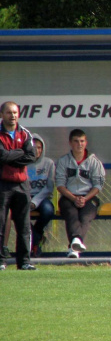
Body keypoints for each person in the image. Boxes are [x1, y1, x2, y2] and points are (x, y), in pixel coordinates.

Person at [55, 129, 105, 258]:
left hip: (89, 197)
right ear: (70, 143)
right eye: (76, 141)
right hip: (68, 197)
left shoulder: (94, 162)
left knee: (85, 217)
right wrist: (73, 198)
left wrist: (84, 198)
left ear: (86, 142)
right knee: (71, 214)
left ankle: (74, 244)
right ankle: (76, 243)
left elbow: (98, 186)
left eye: (82, 141)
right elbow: (60, 185)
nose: (79, 144)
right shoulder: (63, 161)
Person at [0, 101, 37, 271]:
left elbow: (31, 156)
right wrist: (19, 153)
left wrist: (10, 157)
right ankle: (1, 261)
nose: (12, 115)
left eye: (15, 112)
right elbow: (1, 156)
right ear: (2, 115)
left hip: (22, 184)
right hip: (3, 184)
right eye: (9, 112)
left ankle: (24, 262)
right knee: (0, 224)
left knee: (23, 225)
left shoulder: (25, 134)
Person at [27, 133, 56, 257]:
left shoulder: (49, 163)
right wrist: (28, 200)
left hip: (42, 198)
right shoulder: (21, 163)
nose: (37, 150)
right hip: (25, 198)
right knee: (19, 214)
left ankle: (36, 234)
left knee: (48, 210)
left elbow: (49, 187)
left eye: (39, 147)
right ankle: (34, 241)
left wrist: (35, 202)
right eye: (34, 147)